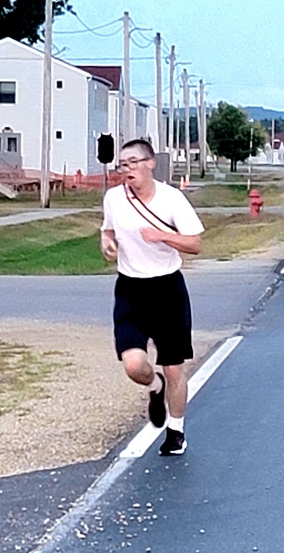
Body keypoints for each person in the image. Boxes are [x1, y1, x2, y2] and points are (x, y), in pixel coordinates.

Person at [100, 139, 205, 456]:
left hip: (167, 289)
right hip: (131, 288)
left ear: (150, 163)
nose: (126, 169)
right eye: (121, 164)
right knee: (134, 365)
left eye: (132, 162)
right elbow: (107, 230)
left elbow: (195, 244)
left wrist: (161, 235)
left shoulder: (172, 199)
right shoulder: (114, 198)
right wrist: (106, 243)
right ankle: (154, 385)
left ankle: (176, 432)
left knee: (174, 368)